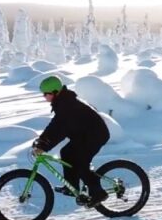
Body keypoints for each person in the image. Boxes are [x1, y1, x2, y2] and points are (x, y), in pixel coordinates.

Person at [32, 75, 110, 207]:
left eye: (46, 94)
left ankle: (98, 193)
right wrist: (41, 140)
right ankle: (71, 186)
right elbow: (55, 125)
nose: (44, 97)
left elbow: (60, 130)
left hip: (95, 135)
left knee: (80, 162)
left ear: (55, 92)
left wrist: (43, 145)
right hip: (84, 134)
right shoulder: (63, 103)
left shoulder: (67, 105)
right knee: (67, 152)